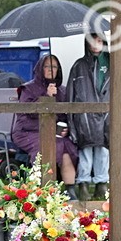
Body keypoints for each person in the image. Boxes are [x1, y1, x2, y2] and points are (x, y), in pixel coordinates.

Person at [13, 54, 80, 199]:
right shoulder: (28, 89)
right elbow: (26, 114)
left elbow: (65, 116)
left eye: (54, 66)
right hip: (28, 131)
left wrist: (65, 128)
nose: (51, 69)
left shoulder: (62, 90)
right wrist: (46, 96)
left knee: (67, 146)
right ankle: (44, 189)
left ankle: (70, 191)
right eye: (47, 66)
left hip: (54, 133)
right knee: (46, 146)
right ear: (40, 68)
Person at [67, 29, 111, 202]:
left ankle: (102, 184)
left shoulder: (112, 63)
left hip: (107, 116)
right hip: (84, 117)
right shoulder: (79, 66)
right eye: (93, 41)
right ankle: (83, 184)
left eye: (100, 40)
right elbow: (71, 93)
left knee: (103, 151)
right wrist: (72, 120)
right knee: (85, 152)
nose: (96, 44)